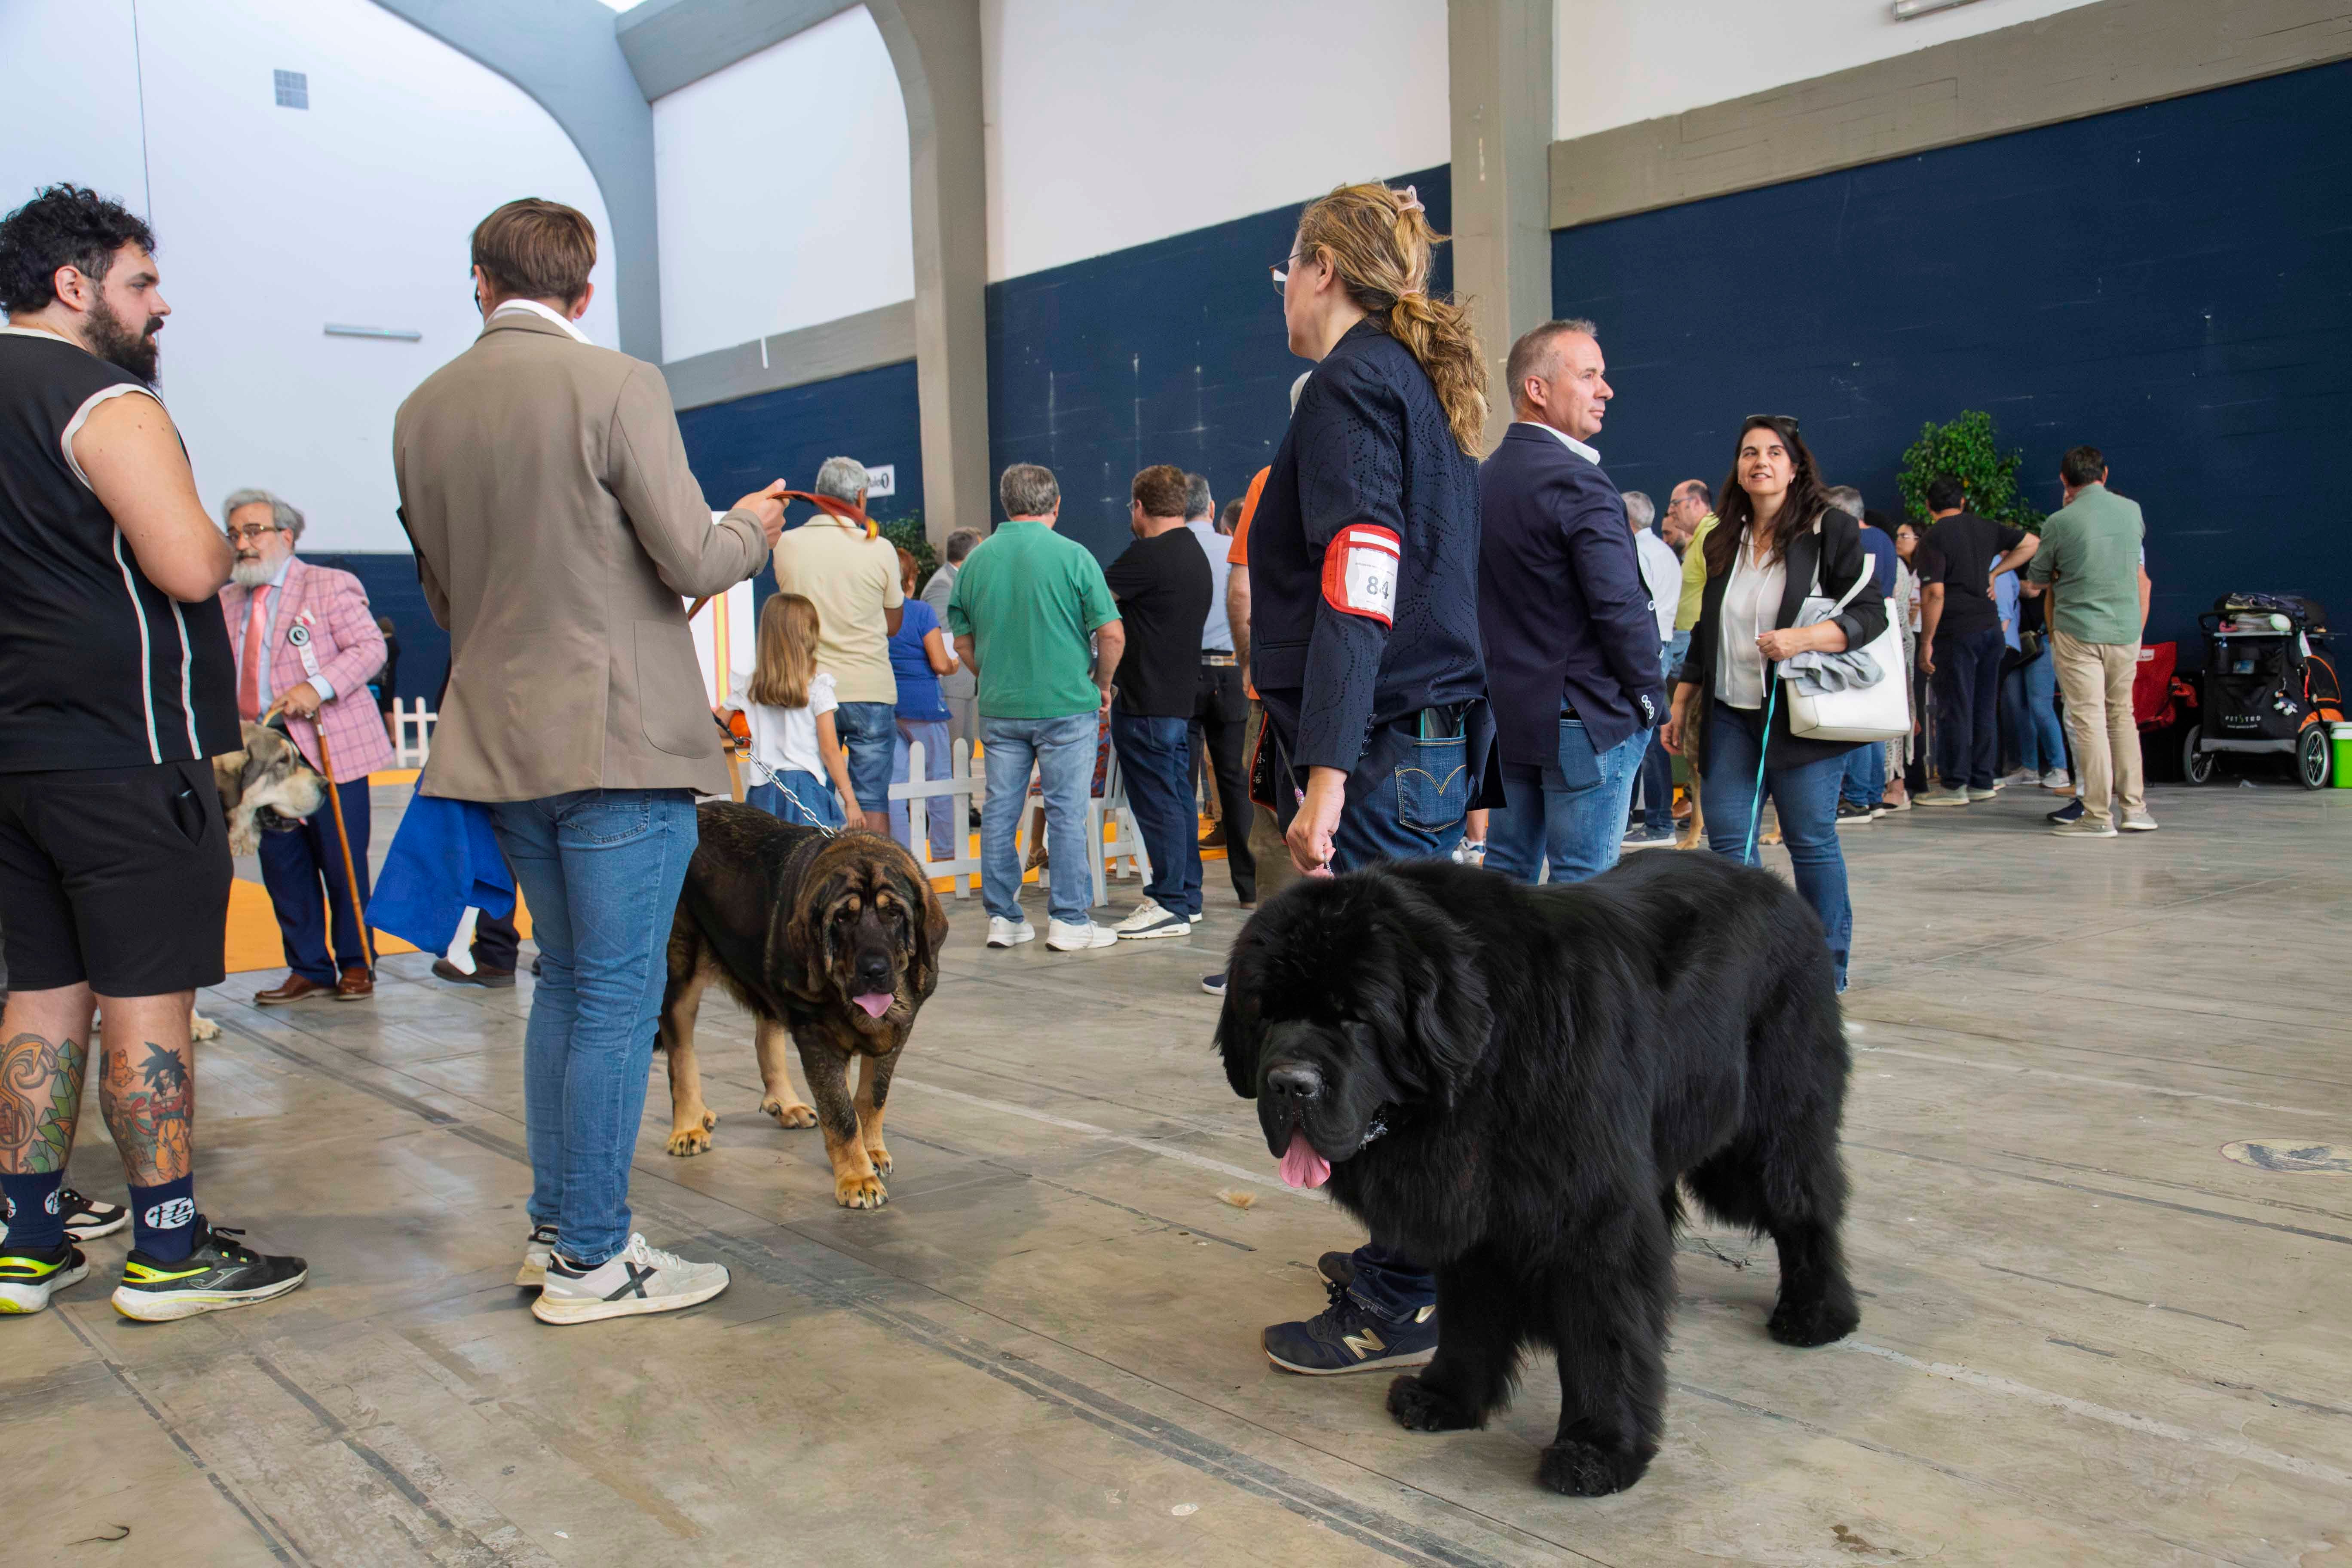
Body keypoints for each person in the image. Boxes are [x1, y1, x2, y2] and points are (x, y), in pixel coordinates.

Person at [394, 196, 787, 1323]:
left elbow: (443, 590)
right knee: (617, 999)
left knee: (566, 987)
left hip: (499, 739)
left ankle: (559, 1229)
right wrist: (753, 526)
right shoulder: (619, 384)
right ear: (587, 286)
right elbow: (689, 557)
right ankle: (595, 1262)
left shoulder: (422, 411)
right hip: (617, 740)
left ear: (480, 282)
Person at [0, 182, 307, 1318]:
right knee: (147, 998)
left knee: (40, 994)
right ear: (74, 287)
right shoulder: (103, 401)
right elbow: (189, 565)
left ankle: (26, 1242)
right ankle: (169, 1250)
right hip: (126, 756)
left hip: (16, 760)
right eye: (140, 281)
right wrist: (221, 545)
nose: (160, 303)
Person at [1250, 182, 1492, 1378]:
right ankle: (1414, 1264)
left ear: (1324, 271)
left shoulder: (1351, 386)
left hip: (1385, 749)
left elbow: (1362, 580)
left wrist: (1328, 776)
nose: (1282, 295)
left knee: (1386, 1038)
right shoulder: (1414, 386)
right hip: (1425, 740)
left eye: (1286, 270)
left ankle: (1406, 1291)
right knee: (1409, 1020)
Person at [1660, 415, 1887, 994]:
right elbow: (1708, 629)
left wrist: (1802, 639)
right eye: (1748, 453)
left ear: (1794, 466)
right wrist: (1683, 701)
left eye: (1772, 452)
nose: (1759, 461)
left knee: (1810, 839)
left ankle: (1825, 966)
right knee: (1728, 845)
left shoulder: (1828, 528)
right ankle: (1750, 962)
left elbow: (1870, 616)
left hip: (1801, 712)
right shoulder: (1720, 539)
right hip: (1731, 714)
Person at [1476, 318, 1662, 884]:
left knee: (1507, 873)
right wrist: (1650, 698)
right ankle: (1571, 981)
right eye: (1589, 376)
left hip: (1508, 714)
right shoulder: (1578, 482)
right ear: (1537, 389)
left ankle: (1505, 978)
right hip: (1584, 714)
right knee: (1584, 886)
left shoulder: (1483, 481)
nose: (1605, 390)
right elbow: (1618, 607)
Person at [217, 488, 396, 1004]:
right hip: (260, 768)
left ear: (287, 535)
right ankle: (308, 967)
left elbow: (370, 648)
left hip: (330, 749)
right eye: (235, 535)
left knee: (342, 863)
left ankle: (357, 962)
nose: (243, 544)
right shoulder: (226, 598)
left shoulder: (328, 585)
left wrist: (314, 689)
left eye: (254, 532)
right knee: (283, 868)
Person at [948, 463, 1125, 952]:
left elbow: (963, 642)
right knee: (1067, 812)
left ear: (1006, 503)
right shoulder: (1074, 556)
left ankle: (1004, 919)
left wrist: (993, 674)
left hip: (1003, 709)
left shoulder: (977, 562)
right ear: (1057, 504)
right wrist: (1102, 684)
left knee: (1002, 811)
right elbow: (1111, 633)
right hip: (1068, 705)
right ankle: (1069, 920)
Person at [1101, 466, 1214, 938]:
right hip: (1177, 698)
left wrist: (1101, 679)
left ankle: (1168, 901)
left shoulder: (1145, 556)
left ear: (1139, 507)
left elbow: (1095, 604)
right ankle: (1186, 896)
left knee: (1159, 804)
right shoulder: (1193, 551)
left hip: (1145, 698)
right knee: (1178, 800)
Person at [2027, 445, 2154, 837]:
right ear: (2105, 474)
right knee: (2123, 717)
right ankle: (2135, 809)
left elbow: (2038, 576)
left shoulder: (2059, 522)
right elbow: (2136, 570)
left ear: (2065, 480)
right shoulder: (2132, 511)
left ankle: (2098, 816)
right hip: (2125, 631)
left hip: (2078, 631)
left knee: (2090, 722)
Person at [771, 456, 901, 824]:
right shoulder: (880, 548)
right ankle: (877, 881)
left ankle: (818, 881)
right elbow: (894, 624)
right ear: (860, 496)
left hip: (807, 691)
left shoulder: (787, 545)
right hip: (869, 689)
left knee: (813, 799)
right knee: (872, 800)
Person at [1913, 477, 2038, 806]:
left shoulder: (1932, 538)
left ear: (1929, 506)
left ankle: (1954, 786)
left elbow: (1934, 592)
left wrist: (1926, 641)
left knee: (1955, 708)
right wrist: (1995, 574)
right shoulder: (1986, 527)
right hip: (1990, 629)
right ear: (1964, 502)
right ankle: (1982, 780)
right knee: (1984, 707)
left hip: (1955, 632)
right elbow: (2031, 543)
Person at [726, 594, 864, 830]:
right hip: (805, 789)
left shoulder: (749, 685)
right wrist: (850, 801)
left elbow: (720, 723)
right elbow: (830, 750)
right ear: (809, 636)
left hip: (763, 787)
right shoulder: (818, 687)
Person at [1185, 473, 1255, 906]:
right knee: (1235, 783)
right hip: (1232, 673)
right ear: (1212, 510)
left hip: (1185, 675)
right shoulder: (1232, 552)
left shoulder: (1170, 553)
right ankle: (1249, 889)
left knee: (1183, 784)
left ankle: (1186, 894)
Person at [1825, 486, 1897, 825]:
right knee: (1871, 718)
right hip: (1883, 627)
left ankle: (1855, 799)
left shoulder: (1851, 540)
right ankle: (1871, 796)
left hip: (1853, 629)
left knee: (1854, 718)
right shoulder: (1883, 538)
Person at [888, 548, 959, 859]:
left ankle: (900, 854)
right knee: (938, 779)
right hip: (925, 707)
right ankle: (944, 852)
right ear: (911, 579)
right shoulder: (920, 612)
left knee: (894, 786)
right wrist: (955, 664)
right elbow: (940, 663)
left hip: (889, 706)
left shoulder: (872, 612)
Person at [1626, 489, 1684, 848]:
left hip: (1648, 649)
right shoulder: (1663, 552)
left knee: (1648, 740)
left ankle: (1660, 823)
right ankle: (1650, 819)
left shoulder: (1639, 553)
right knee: (1649, 736)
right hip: (1662, 645)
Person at [924, 527, 984, 799]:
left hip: (963, 680)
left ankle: (965, 803)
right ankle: (954, 806)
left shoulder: (959, 581)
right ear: (971, 554)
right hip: (951, 680)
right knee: (953, 747)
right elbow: (942, 638)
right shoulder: (942, 585)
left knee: (964, 746)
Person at [2000, 580, 2069, 789]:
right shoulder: (2004, 563)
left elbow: (2034, 588)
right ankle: (2029, 768)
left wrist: (2008, 581)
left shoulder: (2034, 556)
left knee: (2040, 706)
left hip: (2041, 639)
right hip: (2013, 642)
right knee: (2017, 707)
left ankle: (2060, 768)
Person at [1893, 518, 1930, 801]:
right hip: (1909, 640)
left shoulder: (1927, 570)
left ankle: (1913, 780)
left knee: (1914, 710)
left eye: (1905, 536)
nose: (1899, 540)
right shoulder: (1902, 570)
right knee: (1908, 709)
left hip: (1920, 642)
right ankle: (1911, 777)